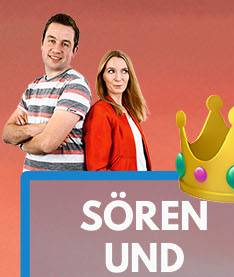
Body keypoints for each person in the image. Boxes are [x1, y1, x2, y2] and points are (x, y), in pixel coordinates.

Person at [2, 13, 90, 171]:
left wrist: (21, 143)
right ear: (42, 44)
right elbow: (7, 134)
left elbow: (47, 143)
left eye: (65, 44)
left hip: (64, 189)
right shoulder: (33, 87)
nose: (56, 49)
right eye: (52, 40)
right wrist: (37, 128)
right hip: (33, 187)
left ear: (74, 50)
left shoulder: (75, 85)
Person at [81, 49, 146, 170]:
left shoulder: (129, 112)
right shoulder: (100, 112)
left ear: (129, 76)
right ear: (103, 77)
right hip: (121, 188)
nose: (118, 78)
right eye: (111, 71)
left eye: (124, 71)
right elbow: (96, 169)